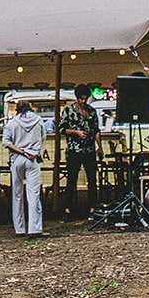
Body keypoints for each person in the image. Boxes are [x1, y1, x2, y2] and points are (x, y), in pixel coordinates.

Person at [2, 101, 47, 236]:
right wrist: (33, 151)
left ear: (17, 109)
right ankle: (35, 228)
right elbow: (43, 138)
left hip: (17, 159)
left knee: (17, 194)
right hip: (33, 159)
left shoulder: (12, 123)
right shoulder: (39, 121)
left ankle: (19, 228)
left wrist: (21, 151)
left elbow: (6, 142)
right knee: (34, 194)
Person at [60, 83, 101, 218]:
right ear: (77, 98)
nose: (83, 101)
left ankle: (92, 207)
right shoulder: (68, 110)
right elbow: (62, 129)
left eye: (85, 98)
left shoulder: (92, 111)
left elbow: (96, 130)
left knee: (92, 180)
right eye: (81, 99)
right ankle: (67, 208)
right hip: (74, 150)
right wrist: (76, 132)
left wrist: (99, 147)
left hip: (89, 150)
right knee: (72, 180)